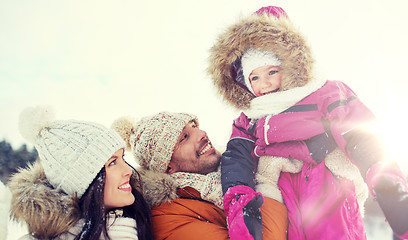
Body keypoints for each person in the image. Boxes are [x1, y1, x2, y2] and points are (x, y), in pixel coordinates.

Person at [207, 5, 408, 240]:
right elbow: (236, 160)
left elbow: (359, 134)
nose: (265, 84)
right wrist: (242, 204)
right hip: (278, 192)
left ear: (291, 66)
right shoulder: (250, 118)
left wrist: (385, 180)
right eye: (255, 77)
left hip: (326, 184)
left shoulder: (325, 93)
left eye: (272, 72)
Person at [111, 112, 288, 240]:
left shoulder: (239, 167)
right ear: (168, 167)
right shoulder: (167, 217)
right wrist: (267, 183)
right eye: (184, 137)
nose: (201, 133)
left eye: (194, 126)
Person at [8, 106, 153, 240]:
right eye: (112, 163)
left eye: (122, 158)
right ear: (82, 182)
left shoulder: (142, 223)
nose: (128, 170)